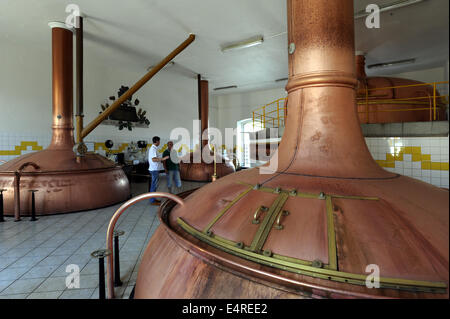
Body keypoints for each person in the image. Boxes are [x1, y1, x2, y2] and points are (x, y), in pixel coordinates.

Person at [148, 136, 169, 205]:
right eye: (159, 141)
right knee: (153, 185)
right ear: (157, 141)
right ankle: (152, 201)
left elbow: (155, 158)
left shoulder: (154, 148)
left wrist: (161, 159)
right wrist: (163, 159)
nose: (159, 142)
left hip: (155, 169)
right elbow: (153, 159)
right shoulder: (153, 149)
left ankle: (153, 199)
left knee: (154, 185)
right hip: (154, 170)